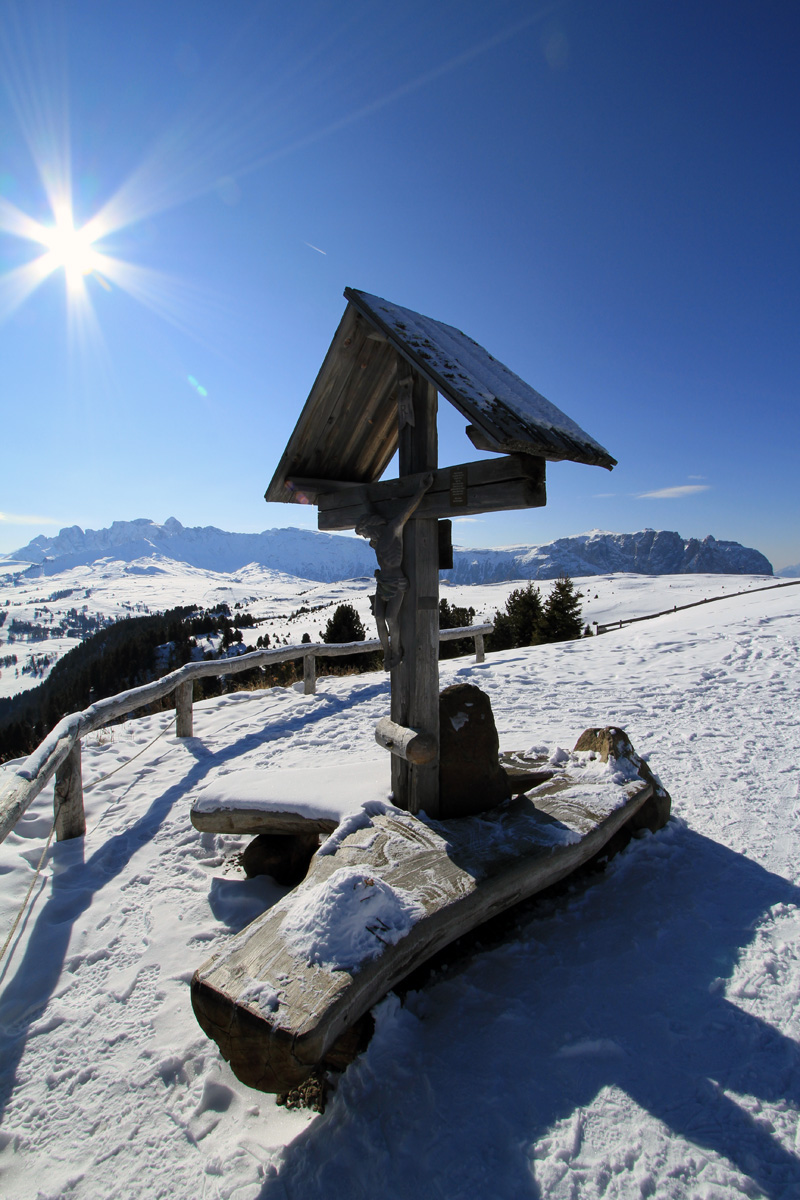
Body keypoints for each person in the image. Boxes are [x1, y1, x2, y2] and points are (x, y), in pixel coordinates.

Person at [355, 472, 434, 669]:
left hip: (397, 582)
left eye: (364, 533)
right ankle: (387, 652)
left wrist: (422, 489)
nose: (365, 538)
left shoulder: (392, 531)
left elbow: (406, 512)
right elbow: (371, 513)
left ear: (370, 527)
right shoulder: (377, 540)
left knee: (391, 617)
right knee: (379, 618)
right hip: (383, 582)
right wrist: (365, 497)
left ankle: (397, 651)